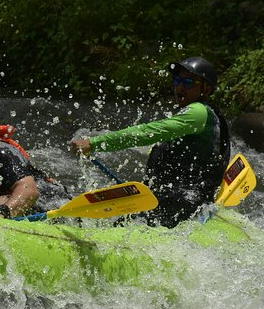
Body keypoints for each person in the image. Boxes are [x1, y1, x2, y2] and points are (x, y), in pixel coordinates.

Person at [69, 56, 230, 228]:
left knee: (121, 226)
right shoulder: (205, 114)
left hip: (183, 202)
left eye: (189, 82)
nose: (180, 87)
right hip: (177, 197)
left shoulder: (198, 112)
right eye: (177, 80)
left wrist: (94, 143)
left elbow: (148, 133)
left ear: (205, 90)